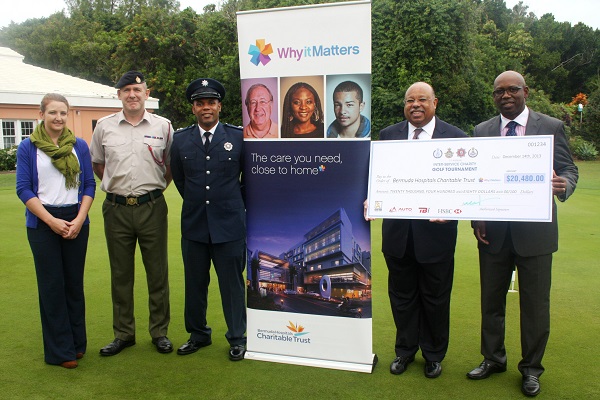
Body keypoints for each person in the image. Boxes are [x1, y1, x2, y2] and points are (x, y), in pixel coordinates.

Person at [466, 71, 578, 397]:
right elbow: (475, 177)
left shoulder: (551, 127)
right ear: (493, 96)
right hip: (493, 234)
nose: (506, 95)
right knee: (491, 302)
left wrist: (564, 184)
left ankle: (531, 369)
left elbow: (568, 169)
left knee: (535, 307)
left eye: (512, 89)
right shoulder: (482, 131)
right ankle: (493, 358)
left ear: (525, 91)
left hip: (536, 235)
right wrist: (476, 217)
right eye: (499, 91)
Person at [376, 82, 467, 379]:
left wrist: (452, 208)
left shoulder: (456, 138)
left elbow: (466, 186)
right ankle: (404, 351)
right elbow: (376, 177)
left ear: (435, 103)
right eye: (409, 100)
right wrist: (371, 198)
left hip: (436, 237)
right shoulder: (387, 136)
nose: (415, 105)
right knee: (401, 297)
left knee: (435, 298)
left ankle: (433, 354)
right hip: (398, 236)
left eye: (422, 100)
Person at [90, 71, 174, 356]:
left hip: (152, 207)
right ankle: (124, 334)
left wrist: (152, 190)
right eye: (126, 90)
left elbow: (169, 167)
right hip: (116, 209)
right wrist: (119, 189)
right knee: (121, 275)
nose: (132, 95)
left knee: (157, 273)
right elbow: (99, 164)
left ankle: (159, 332)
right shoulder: (104, 126)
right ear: (119, 95)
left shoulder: (164, 126)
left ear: (146, 94)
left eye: (137, 90)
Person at [16, 93, 96, 369]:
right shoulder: (28, 147)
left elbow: (89, 185)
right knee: (52, 286)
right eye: (52, 112)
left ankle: (77, 344)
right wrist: (51, 221)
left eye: (63, 113)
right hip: (43, 222)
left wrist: (79, 218)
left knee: (74, 284)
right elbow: (24, 189)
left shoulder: (79, 145)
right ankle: (60, 351)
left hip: (76, 220)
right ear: (42, 115)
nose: (58, 118)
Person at [170, 78, 247, 361]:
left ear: (219, 106)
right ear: (193, 108)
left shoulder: (238, 137)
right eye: (200, 103)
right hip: (195, 226)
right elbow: (180, 179)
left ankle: (237, 337)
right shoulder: (181, 140)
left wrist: (232, 204)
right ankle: (198, 334)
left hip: (229, 225)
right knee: (195, 284)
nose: (206, 107)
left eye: (211, 102)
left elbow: (248, 180)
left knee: (232, 286)